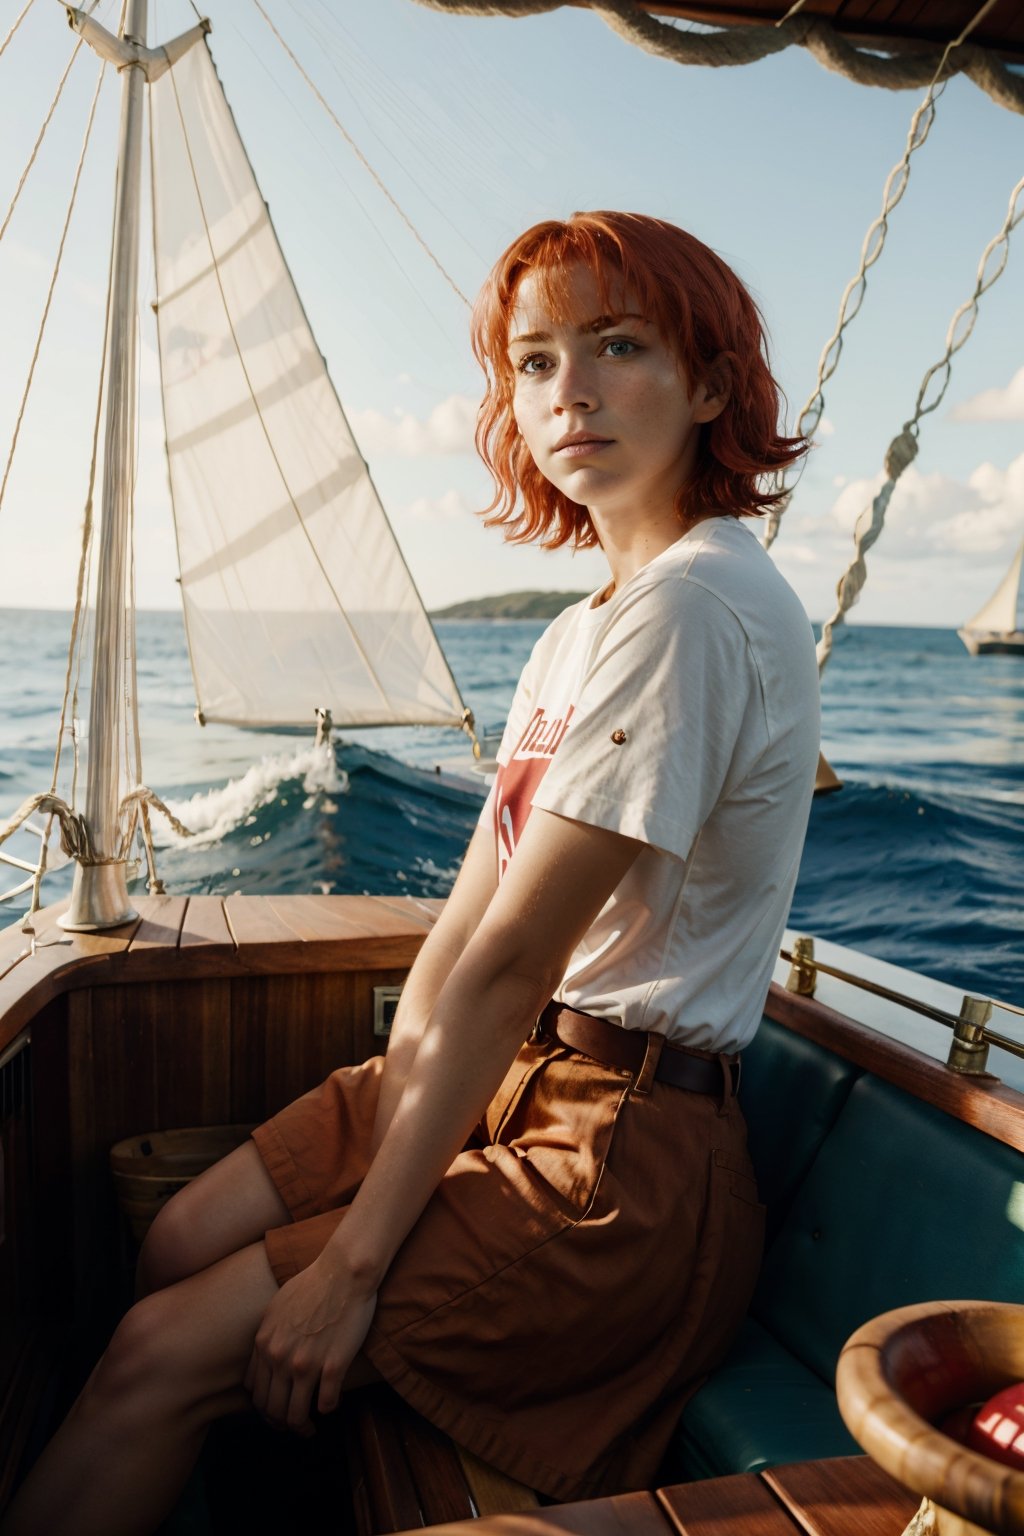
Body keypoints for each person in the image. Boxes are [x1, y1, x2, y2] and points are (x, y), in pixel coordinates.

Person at [2, 211, 819, 1535]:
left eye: (620, 346)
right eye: (538, 361)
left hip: (612, 1158)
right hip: (508, 1081)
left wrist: (355, 1265)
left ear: (713, 385)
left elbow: (515, 961)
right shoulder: (587, 626)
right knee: (175, 1240)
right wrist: (394, 1102)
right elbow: (465, 928)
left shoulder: (697, 607)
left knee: (157, 1352)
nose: (574, 392)